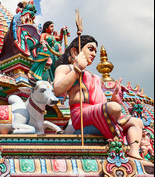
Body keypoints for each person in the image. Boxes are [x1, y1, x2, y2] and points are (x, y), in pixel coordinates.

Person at [53, 35, 151, 166]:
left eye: (95, 51)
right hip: (81, 114)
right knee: (114, 108)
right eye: (90, 49)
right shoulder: (66, 69)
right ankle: (115, 130)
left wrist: (115, 98)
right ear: (75, 52)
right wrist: (77, 68)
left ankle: (134, 154)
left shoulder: (95, 77)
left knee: (137, 122)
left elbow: (102, 102)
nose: (93, 53)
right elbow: (58, 89)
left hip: (98, 112)